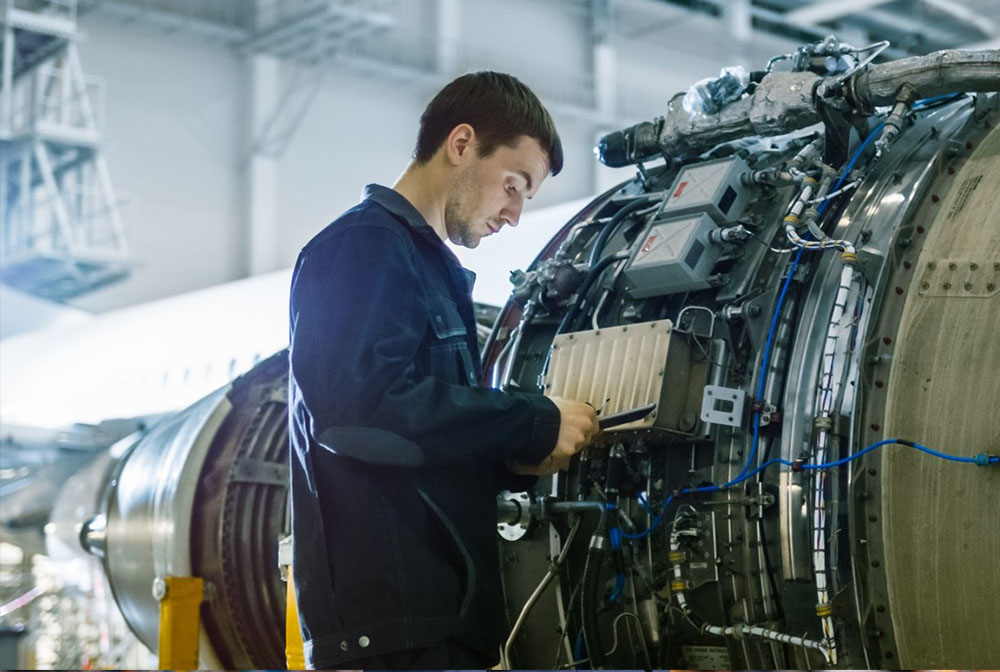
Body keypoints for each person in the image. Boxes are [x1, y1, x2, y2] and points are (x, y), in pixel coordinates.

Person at [287, 71, 599, 669]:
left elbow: (425, 438)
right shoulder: (361, 247)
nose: (512, 214)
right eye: (514, 185)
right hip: (393, 634)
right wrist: (528, 423)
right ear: (461, 144)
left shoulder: (427, 268)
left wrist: (515, 460)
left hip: (437, 625)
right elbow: (358, 411)